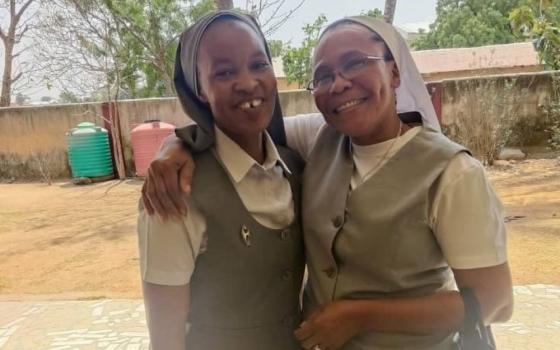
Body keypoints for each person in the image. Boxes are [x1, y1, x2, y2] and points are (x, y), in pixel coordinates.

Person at [143, 16, 513, 350]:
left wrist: (360, 316)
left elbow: (496, 302)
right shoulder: (321, 138)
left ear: (395, 71)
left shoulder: (452, 174)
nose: (339, 84)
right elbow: (240, 129)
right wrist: (174, 145)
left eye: (355, 63)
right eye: (322, 76)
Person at [137, 10, 305, 350]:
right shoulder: (176, 193)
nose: (247, 82)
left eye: (259, 64)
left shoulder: (295, 164)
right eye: (225, 72)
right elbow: (166, 339)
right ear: (199, 89)